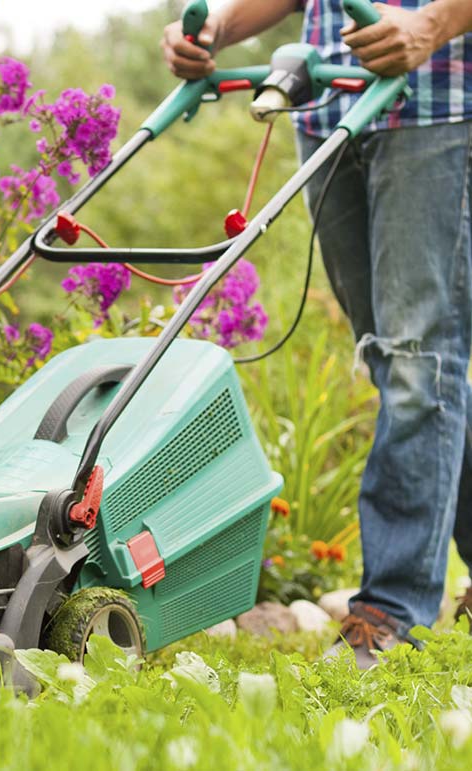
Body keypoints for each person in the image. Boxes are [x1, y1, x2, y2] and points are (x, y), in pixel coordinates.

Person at [162, 0, 472, 669]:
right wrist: (216, 27)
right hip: (331, 104)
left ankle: (391, 611)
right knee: (406, 368)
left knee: (419, 362)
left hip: (440, 100)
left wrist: (430, 24)